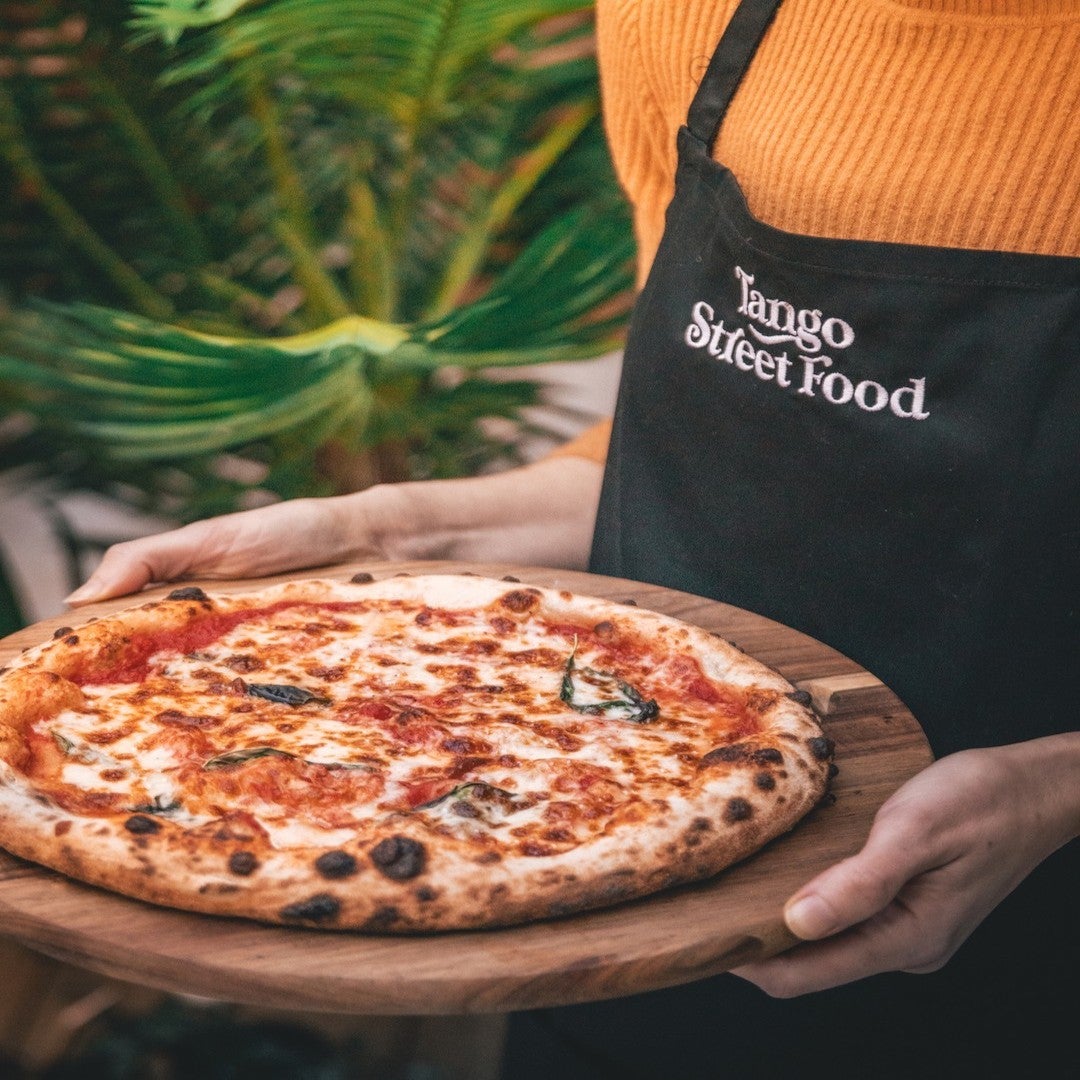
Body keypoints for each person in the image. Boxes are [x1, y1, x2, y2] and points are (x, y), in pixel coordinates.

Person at [67, 0, 1078, 1075]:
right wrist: (379, 530)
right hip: (614, 898)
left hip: (1031, 944)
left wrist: (1055, 791)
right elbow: (697, 446)